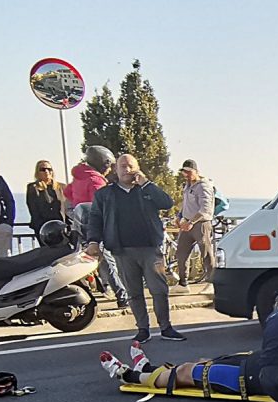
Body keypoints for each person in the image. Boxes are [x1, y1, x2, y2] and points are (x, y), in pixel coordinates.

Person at [84, 154, 184, 342]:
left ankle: (166, 327)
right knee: (134, 292)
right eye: (122, 166)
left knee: (159, 290)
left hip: (150, 249)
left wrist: (146, 183)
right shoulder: (105, 194)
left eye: (130, 166)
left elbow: (167, 203)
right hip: (122, 250)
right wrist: (93, 241)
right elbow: (95, 219)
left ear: (137, 168)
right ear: (116, 169)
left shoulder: (146, 190)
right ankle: (142, 329)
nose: (126, 169)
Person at [65, 145, 127, 308]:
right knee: (108, 262)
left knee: (79, 262)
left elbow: (67, 193)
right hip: (96, 228)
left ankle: (73, 295)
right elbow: (103, 206)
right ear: (103, 163)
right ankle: (123, 297)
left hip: (80, 226)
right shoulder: (95, 180)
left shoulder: (79, 177)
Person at [100, 341, 267, 397]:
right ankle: (147, 368)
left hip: (250, 376)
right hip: (257, 362)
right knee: (205, 362)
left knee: (187, 372)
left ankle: (129, 376)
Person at [174, 160, 216, 288]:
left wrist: (192, 222)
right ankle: (183, 283)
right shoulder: (187, 186)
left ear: (196, 172)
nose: (186, 175)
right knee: (181, 253)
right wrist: (179, 216)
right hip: (186, 223)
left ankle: (212, 283)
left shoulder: (203, 186)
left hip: (201, 224)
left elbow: (205, 209)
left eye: (188, 172)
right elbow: (187, 205)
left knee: (206, 254)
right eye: (184, 172)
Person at [25, 160, 65, 239]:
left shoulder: (61, 187)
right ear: (37, 172)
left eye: (49, 169)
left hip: (60, 226)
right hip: (42, 227)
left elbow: (66, 206)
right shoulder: (33, 187)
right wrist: (39, 225)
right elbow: (33, 208)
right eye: (43, 169)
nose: (46, 171)